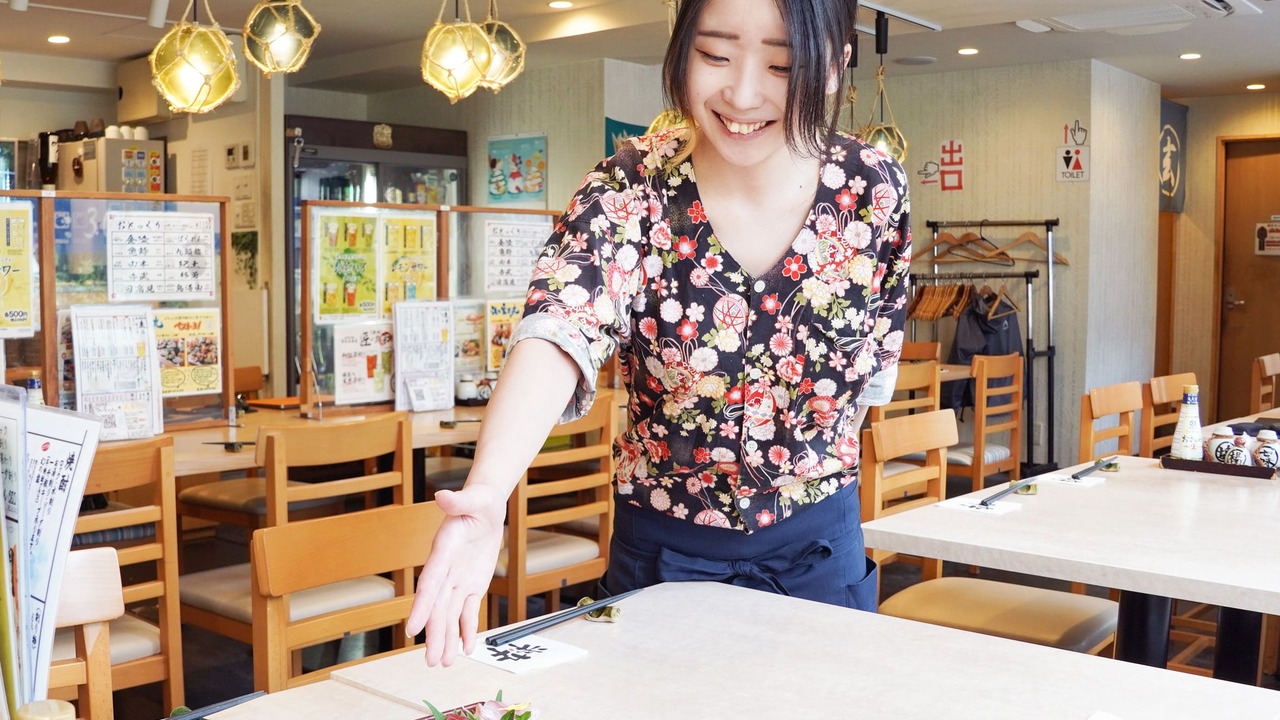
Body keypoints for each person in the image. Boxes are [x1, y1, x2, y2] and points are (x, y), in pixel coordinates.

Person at [407, 0, 911, 667]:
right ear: (680, 49)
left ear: (836, 65)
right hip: (662, 561)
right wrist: (490, 488)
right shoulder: (630, 190)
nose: (743, 92)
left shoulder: (873, 191)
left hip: (818, 559)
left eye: (784, 63)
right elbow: (561, 325)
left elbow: (873, 379)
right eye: (715, 54)